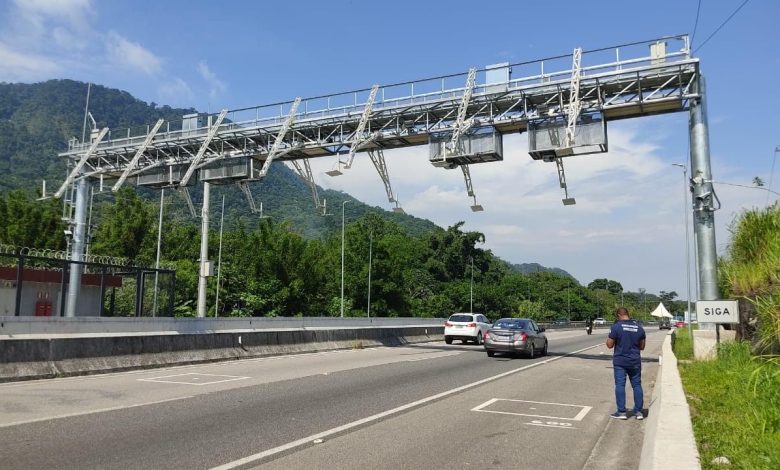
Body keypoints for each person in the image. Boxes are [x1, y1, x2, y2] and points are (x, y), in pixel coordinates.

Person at [606, 307, 646, 420]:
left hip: (620, 361)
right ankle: (638, 412)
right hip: (635, 361)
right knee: (637, 385)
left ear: (618, 315)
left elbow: (609, 345)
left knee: (620, 385)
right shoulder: (639, 328)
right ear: (628, 314)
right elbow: (642, 347)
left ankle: (622, 412)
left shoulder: (616, 327)